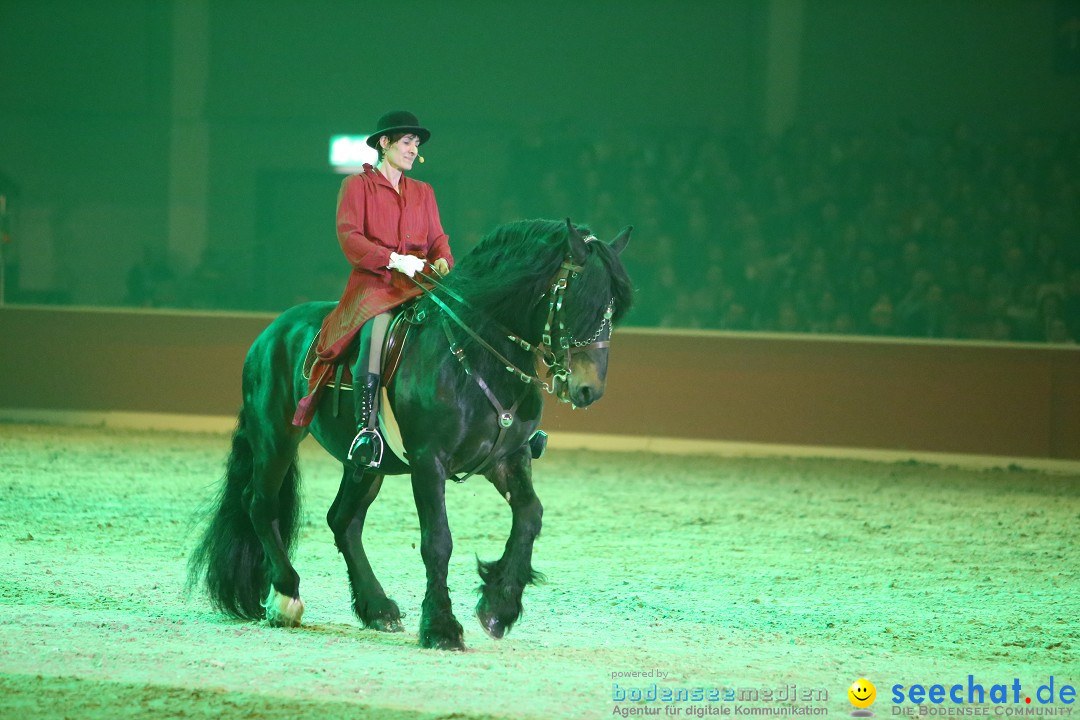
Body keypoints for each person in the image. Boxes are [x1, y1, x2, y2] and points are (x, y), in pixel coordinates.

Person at [293, 110, 453, 467]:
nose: (414, 150)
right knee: (375, 333)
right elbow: (350, 238)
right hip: (376, 286)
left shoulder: (424, 192)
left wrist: (443, 259)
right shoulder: (357, 186)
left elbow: (439, 238)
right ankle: (367, 430)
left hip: (422, 283)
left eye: (416, 144)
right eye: (407, 142)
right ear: (385, 143)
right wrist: (393, 260)